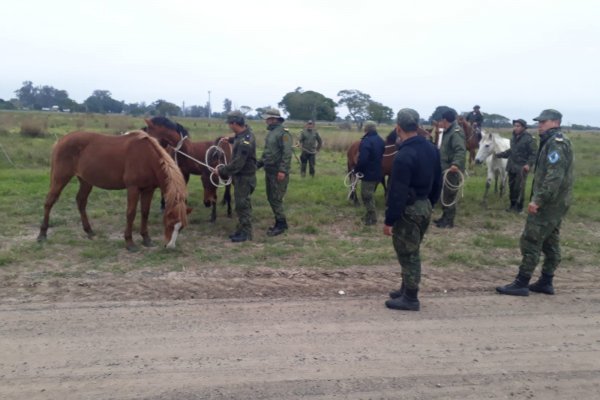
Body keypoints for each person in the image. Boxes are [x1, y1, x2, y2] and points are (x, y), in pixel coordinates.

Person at [496, 109, 573, 296]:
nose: (540, 125)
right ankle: (546, 281)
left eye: (544, 122)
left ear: (555, 122)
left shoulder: (556, 144)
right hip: (557, 202)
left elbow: (554, 177)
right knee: (550, 241)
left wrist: (538, 200)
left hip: (549, 203)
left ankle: (521, 282)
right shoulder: (552, 141)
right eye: (539, 122)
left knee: (531, 239)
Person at [384, 109, 442, 311]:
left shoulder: (404, 155)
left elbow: (397, 192)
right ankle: (405, 288)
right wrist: (429, 203)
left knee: (408, 253)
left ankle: (410, 297)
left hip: (409, 210)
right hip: (425, 205)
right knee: (411, 249)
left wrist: (389, 220)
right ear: (417, 126)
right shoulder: (432, 149)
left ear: (398, 128)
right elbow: (438, 182)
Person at [216, 111, 257, 243]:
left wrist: (221, 171)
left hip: (244, 177)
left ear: (234, 123)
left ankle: (246, 234)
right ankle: (241, 229)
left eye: (229, 123)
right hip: (241, 177)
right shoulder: (245, 134)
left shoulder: (245, 141)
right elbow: (239, 138)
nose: (229, 126)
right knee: (240, 204)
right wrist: (230, 139)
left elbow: (238, 164)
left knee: (243, 205)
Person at [256, 108, 293, 236]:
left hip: (278, 171)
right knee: (271, 197)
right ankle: (279, 222)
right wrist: (259, 164)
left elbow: (287, 153)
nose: (266, 120)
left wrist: (282, 170)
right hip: (270, 170)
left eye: (268, 118)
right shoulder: (271, 133)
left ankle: (281, 224)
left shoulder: (284, 133)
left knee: (276, 198)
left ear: (274, 119)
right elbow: (268, 153)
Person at [495, 118, 538, 213]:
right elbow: (512, 151)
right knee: (511, 187)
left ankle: (519, 208)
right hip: (511, 166)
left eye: (518, 126)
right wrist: (499, 155)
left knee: (519, 188)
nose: (516, 128)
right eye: (515, 126)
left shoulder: (529, 138)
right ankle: (512, 205)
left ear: (523, 127)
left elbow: (534, 154)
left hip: (522, 167)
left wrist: (529, 164)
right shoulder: (513, 137)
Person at [434, 109, 466, 228]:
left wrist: (456, 164)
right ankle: (444, 217)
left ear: (444, 120)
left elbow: (460, 150)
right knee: (445, 193)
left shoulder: (456, 132)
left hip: (452, 170)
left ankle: (448, 221)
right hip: (445, 167)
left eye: (441, 121)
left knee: (449, 195)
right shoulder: (449, 132)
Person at [354, 120, 385, 225]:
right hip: (378, 172)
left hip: (368, 174)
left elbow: (363, 159)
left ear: (366, 129)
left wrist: (357, 170)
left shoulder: (366, 141)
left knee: (366, 195)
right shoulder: (380, 140)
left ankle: (372, 218)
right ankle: (368, 215)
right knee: (369, 194)